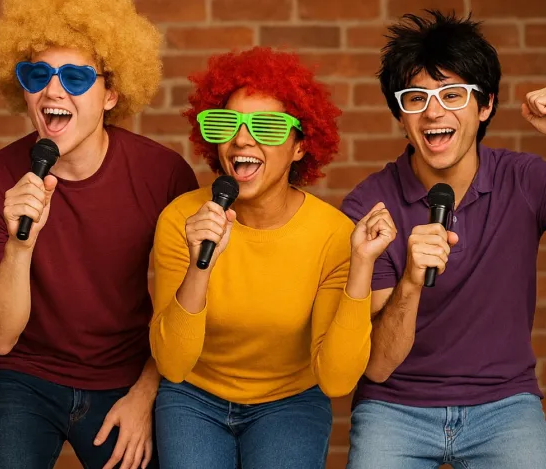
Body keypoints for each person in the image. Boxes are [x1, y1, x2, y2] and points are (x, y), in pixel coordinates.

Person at [0, 0, 198, 468]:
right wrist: (20, 245)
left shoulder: (163, 174)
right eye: (37, 75)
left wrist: (146, 394)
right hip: (22, 374)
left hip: (127, 375)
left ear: (110, 94)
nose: (52, 90)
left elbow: (185, 307)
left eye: (75, 77)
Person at [149, 46, 396, 469]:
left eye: (266, 126)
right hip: (193, 396)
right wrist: (199, 265)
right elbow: (172, 364)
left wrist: (361, 266)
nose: (242, 140)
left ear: (300, 147)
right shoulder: (183, 219)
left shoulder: (333, 234)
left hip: (289, 401)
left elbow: (336, 380)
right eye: (227, 123)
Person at [341, 10, 546, 469]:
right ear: (401, 116)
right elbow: (378, 366)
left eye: (452, 94)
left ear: (485, 106)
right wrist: (410, 282)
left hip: (505, 404)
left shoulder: (526, 179)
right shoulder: (369, 206)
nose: (433, 111)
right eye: (416, 98)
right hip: (394, 407)